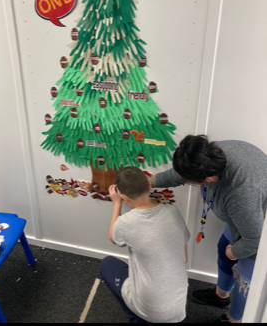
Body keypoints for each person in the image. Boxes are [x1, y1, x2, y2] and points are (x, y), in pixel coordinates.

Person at [148, 134, 267, 323]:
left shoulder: (241, 194)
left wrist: (235, 252)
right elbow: (180, 174)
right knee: (224, 249)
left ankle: (233, 319)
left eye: (190, 182)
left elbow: (255, 240)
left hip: (260, 232)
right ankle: (220, 297)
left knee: (244, 281)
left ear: (208, 178)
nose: (186, 182)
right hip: (248, 217)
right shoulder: (208, 154)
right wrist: (149, 182)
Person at [100, 166, 190, 323]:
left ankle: (137, 318)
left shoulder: (125, 223)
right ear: (149, 186)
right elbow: (184, 258)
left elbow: (113, 237)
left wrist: (116, 204)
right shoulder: (173, 211)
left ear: (124, 198)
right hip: (178, 309)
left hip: (150, 310)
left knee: (107, 264)